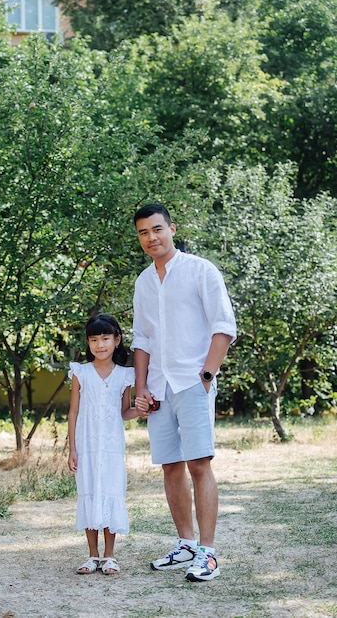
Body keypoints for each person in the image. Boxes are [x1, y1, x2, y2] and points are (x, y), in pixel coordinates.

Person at [131, 202, 236, 582]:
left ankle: (208, 554)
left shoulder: (200, 270)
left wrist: (206, 376)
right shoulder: (143, 282)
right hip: (158, 387)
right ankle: (185, 544)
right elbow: (142, 338)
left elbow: (223, 325)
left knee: (198, 464)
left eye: (157, 229)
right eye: (143, 232)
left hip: (193, 382)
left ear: (172, 229)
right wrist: (141, 386)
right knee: (171, 467)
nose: (151, 238)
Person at [67, 313, 150, 575]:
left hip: (112, 447)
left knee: (111, 493)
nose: (99, 345)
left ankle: (110, 556)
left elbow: (124, 412)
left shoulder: (125, 376)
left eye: (105, 338)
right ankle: (92, 556)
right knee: (90, 492)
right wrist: (72, 449)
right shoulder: (80, 372)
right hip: (87, 445)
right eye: (93, 339)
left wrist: (141, 411)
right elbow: (73, 412)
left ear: (117, 340)